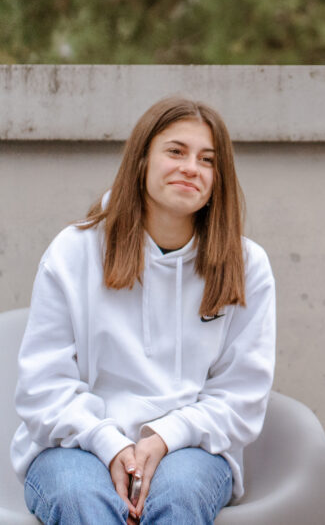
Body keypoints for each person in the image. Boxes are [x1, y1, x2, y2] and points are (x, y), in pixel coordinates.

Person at [11, 97, 277, 525]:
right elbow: (43, 387)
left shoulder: (246, 266)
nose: (191, 167)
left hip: (190, 450)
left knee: (180, 496)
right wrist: (109, 443)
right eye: (175, 151)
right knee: (82, 498)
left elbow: (241, 396)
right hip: (76, 447)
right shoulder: (73, 252)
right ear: (141, 162)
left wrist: (164, 438)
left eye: (207, 160)